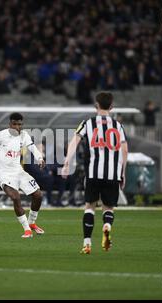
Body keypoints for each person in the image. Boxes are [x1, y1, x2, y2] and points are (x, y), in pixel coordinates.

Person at [61, 92, 128, 254]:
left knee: (90, 206)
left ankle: (87, 243)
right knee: (108, 208)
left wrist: (66, 162)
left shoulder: (87, 123)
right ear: (112, 107)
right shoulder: (118, 126)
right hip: (112, 173)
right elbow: (124, 150)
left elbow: (74, 142)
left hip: (93, 172)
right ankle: (107, 226)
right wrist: (123, 172)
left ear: (96, 105)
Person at [0, 112, 45, 238]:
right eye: (15, 124)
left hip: (18, 171)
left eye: (20, 124)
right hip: (4, 174)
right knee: (15, 197)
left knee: (38, 195)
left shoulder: (24, 135)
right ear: (10, 124)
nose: (17, 127)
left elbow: (32, 147)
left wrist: (40, 158)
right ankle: (27, 230)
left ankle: (31, 223)